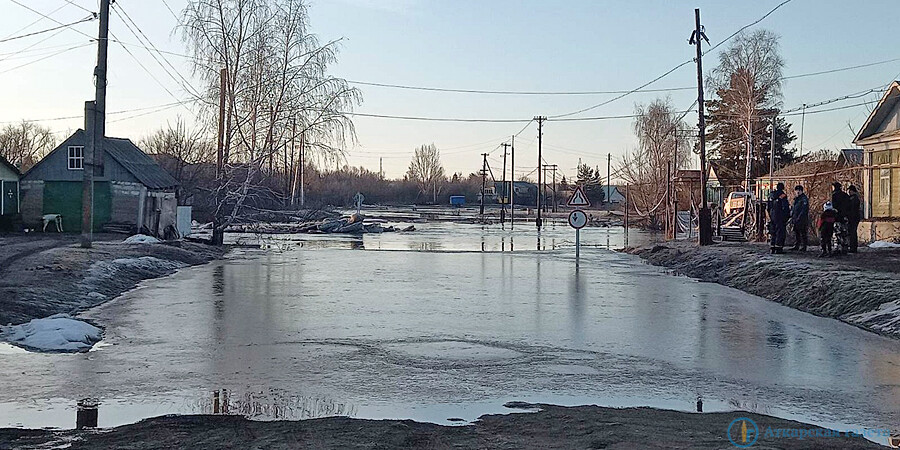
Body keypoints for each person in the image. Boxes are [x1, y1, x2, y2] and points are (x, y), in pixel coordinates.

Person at [768, 182, 790, 254]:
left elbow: (768, 207)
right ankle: (778, 248)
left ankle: (772, 247)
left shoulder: (771, 195)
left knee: (773, 232)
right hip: (780, 216)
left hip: (772, 216)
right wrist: (787, 216)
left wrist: (770, 215)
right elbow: (785, 207)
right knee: (780, 232)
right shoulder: (783, 195)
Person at [831, 182, 851, 255]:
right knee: (844, 233)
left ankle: (837, 248)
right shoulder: (845, 195)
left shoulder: (834, 195)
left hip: (837, 217)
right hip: (845, 217)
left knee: (837, 233)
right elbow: (849, 206)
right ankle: (845, 248)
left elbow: (834, 206)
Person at [790, 185, 809, 251]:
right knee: (797, 232)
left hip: (802, 219)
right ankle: (797, 245)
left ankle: (804, 246)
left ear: (801, 191)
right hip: (796, 218)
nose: (797, 192)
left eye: (799, 191)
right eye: (796, 191)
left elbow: (804, 210)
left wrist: (799, 217)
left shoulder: (804, 199)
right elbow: (794, 208)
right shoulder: (796, 199)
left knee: (803, 232)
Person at [847, 185, 862, 253]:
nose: (849, 192)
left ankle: (853, 247)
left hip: (853, 218)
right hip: (854, 217)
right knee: (852, 232)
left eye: (850, 191)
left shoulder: (854, 199)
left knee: (852, 232)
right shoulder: (854, 198)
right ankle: (853, 247)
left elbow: (852, 209)